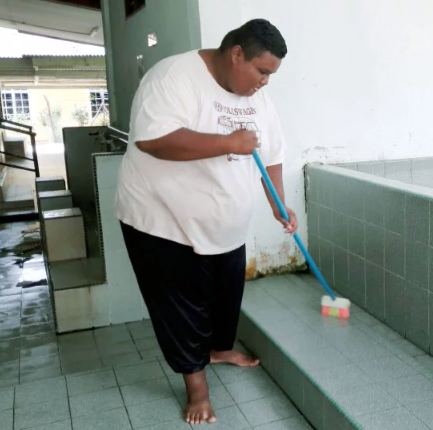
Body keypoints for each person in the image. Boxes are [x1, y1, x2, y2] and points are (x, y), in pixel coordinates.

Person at [114, 19, 297, 424]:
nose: (265, 82)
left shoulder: (258, 99)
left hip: (225, 226)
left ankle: (219, 350)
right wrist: (230, 142)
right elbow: (153, 140)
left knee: (225, 297)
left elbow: (272, 155)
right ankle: (196, 389)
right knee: (182, 308)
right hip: (163, 222)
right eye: (261, 71)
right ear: (237, 54)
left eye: (270, 75)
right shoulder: (173, 77)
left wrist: (278, 204)